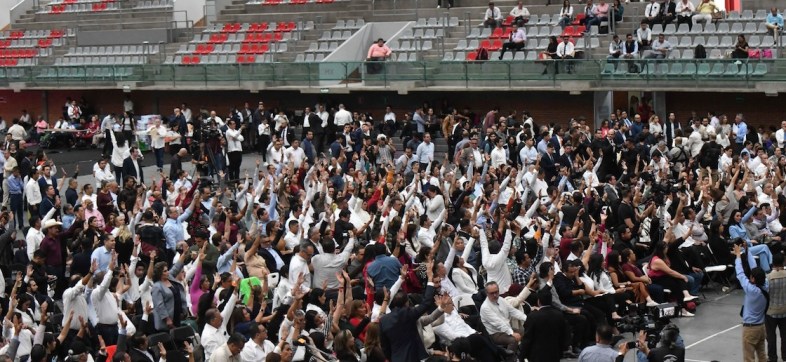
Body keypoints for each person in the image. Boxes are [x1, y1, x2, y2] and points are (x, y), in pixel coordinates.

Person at [735, 243, 769, 362]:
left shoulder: (751, 290)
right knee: (762, 355)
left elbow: (740, 273)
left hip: (750, 329)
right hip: (761, 327)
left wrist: (738, 256)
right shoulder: (765, 286)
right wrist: (747, 251)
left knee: (749, 358)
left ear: (753, 279)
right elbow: (754, 267)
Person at [520, 287, 568, 362]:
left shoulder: (533, 316)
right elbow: (564, 336)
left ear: (538, 301)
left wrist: (522, 356)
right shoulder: (559, 315)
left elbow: (527, 339)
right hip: (554, 354)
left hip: (537, 355)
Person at [766, 253, 786, 362]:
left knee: (771, 337)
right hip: (785, 311)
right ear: (783, 261)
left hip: (771, 311)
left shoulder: (768, 277)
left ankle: (772, 358)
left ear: (773, 262)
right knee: (785, 336)